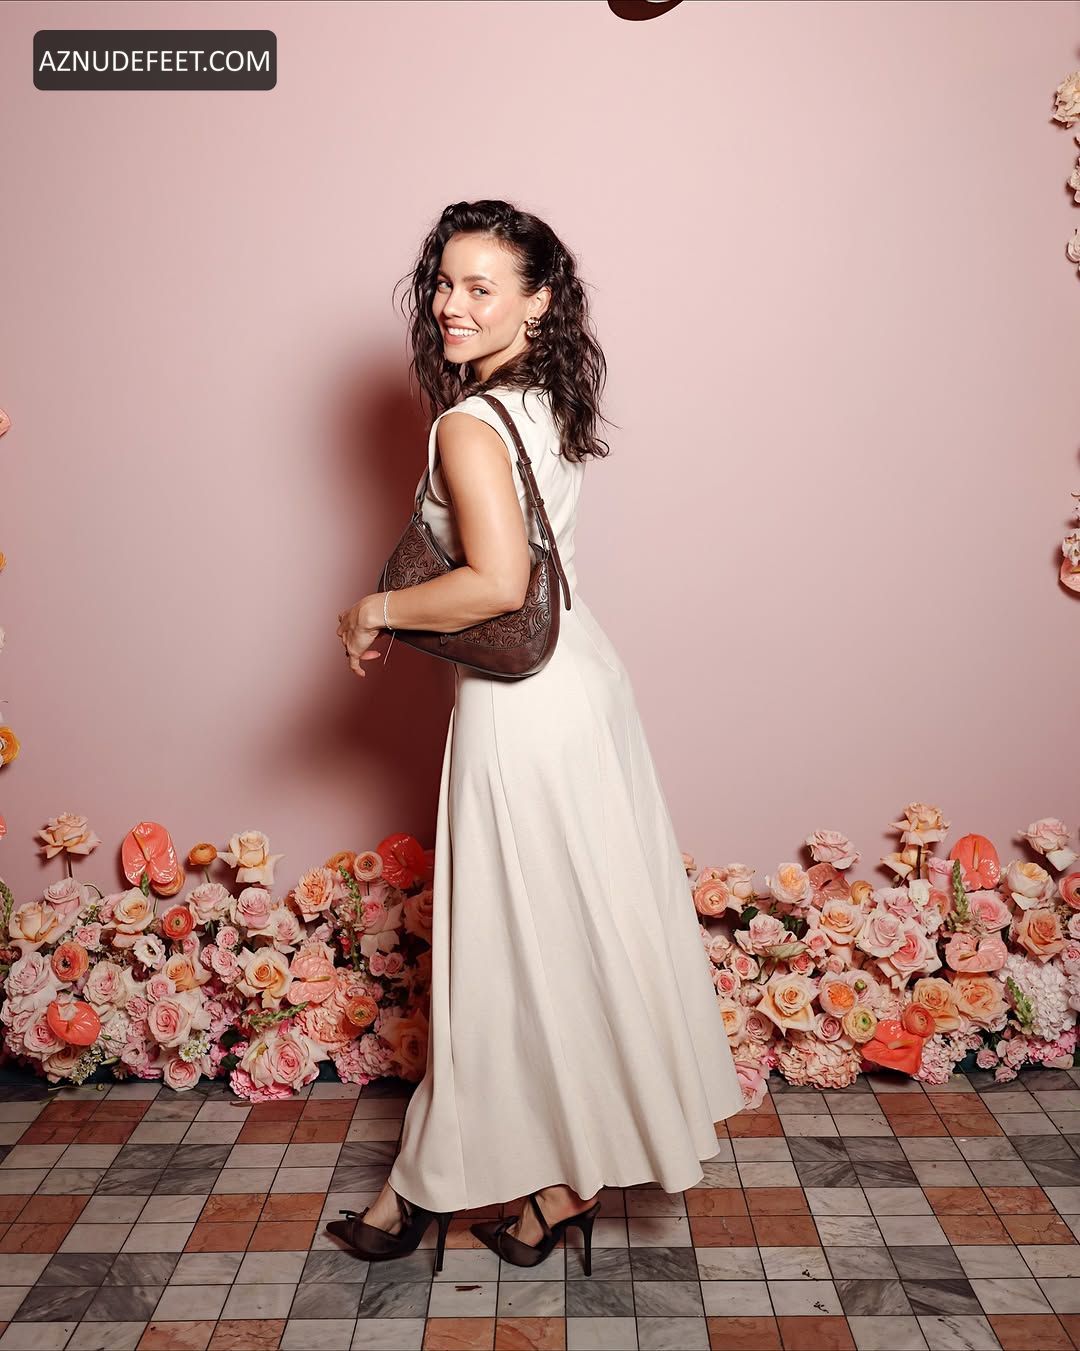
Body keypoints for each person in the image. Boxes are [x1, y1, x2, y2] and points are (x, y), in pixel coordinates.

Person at [331, 200, 744, 1274]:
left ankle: (417, 1189)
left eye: (481, 286)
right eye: (445, 282)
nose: (452, 304)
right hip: (582, 686)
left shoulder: (469, 424)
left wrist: (375, 608)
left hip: (522, 710)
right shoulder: (543, 401)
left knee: (505, 957)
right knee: (567, 941)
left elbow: (498, 582)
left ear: (536, 301)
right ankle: (558, 1185)